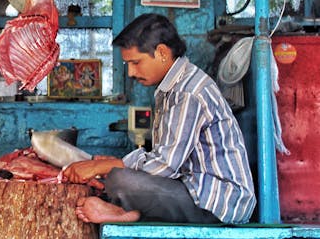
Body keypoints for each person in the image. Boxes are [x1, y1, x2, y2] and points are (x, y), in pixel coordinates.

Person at [63, 13, 256, 225]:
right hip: (196, 190)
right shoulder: (173, 87)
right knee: (118, 174)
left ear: (162, 52)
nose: (131, 72)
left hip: (220, 203)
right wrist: (111, 164)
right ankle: (132, 214)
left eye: (136, 62)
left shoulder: (187, 92)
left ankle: (131, 215)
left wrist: (104, 167)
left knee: (121, 179)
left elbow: (164, 165)